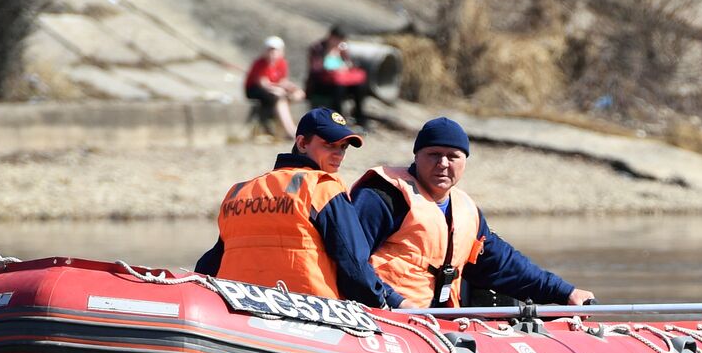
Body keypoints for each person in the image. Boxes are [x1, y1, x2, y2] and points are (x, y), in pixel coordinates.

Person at [350, 117, 594, 310]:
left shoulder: (467, 211)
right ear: (417, 156)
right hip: (385, 314)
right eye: (434, 154)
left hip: (436, 321)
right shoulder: (382, 196)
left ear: (464, 161)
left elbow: (504, 265)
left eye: (453, 156)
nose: (443, 163)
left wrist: (565, 292)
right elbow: (350, 261)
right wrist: (394, 302)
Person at [194, 107, 404, 309]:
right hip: (308, 315)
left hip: (238, 310)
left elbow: (210, 263)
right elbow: (353, 264)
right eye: (330, 144)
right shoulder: (322, 187)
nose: (339, 154)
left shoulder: (240, 192)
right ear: (302, 143)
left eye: (343, 147)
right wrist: (380, 304)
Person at [305, 25, 370, 126]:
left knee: (360, 86)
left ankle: (359, 115)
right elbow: (316, 70)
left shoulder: (342, 51)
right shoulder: (318, 48)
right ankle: (339, 118)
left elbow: (350, 65)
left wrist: (346, 61)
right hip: (322, 83)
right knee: (339, 88)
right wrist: (331, 68)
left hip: (339, 80)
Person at [243, 36, 304, 139]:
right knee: (279, 98)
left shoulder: (282, 63)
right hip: (255, 89)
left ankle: (286, 128)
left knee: (291, 96)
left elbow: (282, 81)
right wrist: (278, 89)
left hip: (272, 89)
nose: (272, 54)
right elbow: (262, 83)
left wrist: (292, 89)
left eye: (275, 51)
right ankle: (290, 130)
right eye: (269, 50)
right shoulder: (260, 63)